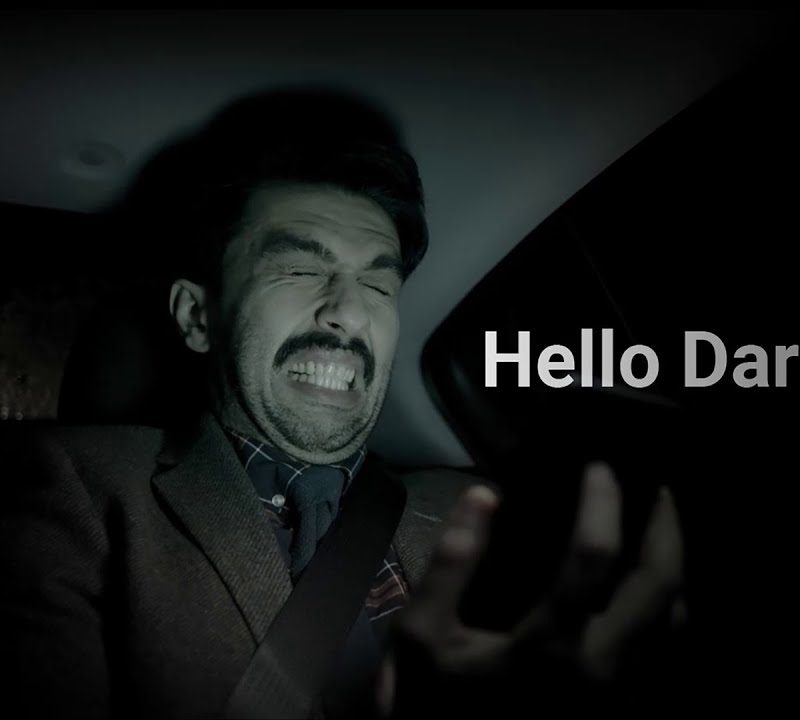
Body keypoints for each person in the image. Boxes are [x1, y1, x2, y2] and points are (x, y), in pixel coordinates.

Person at [0, 87, 684, 718]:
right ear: (197, 317)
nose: (349, 314)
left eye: (379, 286)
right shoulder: (69, 487)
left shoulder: (484, 510)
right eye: (301, 268)